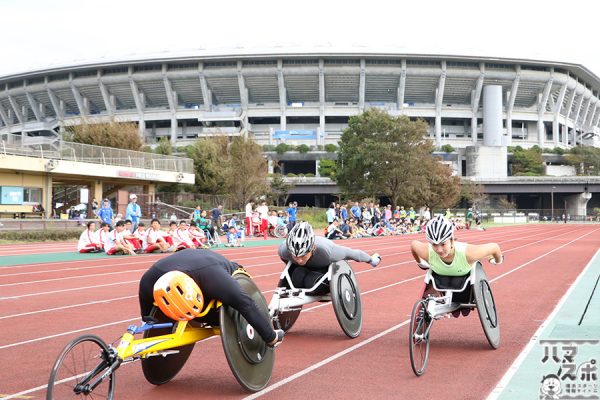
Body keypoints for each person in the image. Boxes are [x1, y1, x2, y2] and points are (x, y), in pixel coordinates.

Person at [138, 249, 284, 347]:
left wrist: (271, 337)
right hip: (184, 264)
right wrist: (146, 317)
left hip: (210, 267)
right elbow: (147, 314)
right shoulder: (149, 283)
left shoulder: (214, 279)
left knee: (237, 302)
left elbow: (246, 304)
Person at [410, 215, 502, 316]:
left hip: (466, 288)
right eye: (434, 245)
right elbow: (413, 245)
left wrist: (497, 261)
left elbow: (495, 247)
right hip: (441, 284)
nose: (439, 250)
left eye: (443, 244)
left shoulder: (470, 253)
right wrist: (420, 263)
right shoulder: (427, 252)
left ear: (452, 240)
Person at [278, 222, 381, 294]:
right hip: (304, 269)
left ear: (312, 248)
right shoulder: (284, 251)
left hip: (323, 269)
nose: (299, 260)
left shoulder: (329, 252)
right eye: (295, 256)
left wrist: (371, 260)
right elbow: (288, 263)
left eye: (303, 255)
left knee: (311, 283)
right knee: (297, 276)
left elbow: (353, 253)